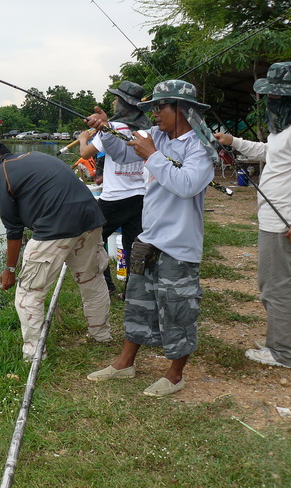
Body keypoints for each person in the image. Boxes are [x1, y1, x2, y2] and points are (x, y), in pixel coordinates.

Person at [84, 80, 215, 396]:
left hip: (179, 245)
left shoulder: (201, 147)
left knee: (177, 309)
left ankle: (175, 374)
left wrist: (154, 156)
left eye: (160, 107)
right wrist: (105, 128)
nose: (154, 113)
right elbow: (120, 149)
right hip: (148, 238)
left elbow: (186, 185)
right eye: (153, 107)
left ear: (181, 109)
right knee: (138, 300)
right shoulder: (153, 136)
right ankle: (124, 363)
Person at [0, 139, 112, 360]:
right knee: (91, 281)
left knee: (29, 293)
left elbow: (14, 229)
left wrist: (10, 269)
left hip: (55, 229)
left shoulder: (1, 174)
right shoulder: (35, 156)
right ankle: (101, 335)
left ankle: (34, 355)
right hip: (90, 219)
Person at [214, 61, 291, 368]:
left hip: (283, 222)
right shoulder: (284, 133)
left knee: (276, 286)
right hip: (275, 220)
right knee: (275, 284)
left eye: (274, 98)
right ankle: (282, 338)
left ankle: (282, 352)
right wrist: (233, 142)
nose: (269, 103)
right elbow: (268, 152)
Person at [78, 81, 151, 299]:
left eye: (116, 98)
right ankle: (132, 290)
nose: (113, 100)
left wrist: (83, 138)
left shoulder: (113, 128)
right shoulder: (146, 130)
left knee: (90, 241)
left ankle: (107, 286)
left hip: (114, 198)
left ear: (123, 104)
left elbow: (85, 153)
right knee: (133, 245)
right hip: (140, 195)